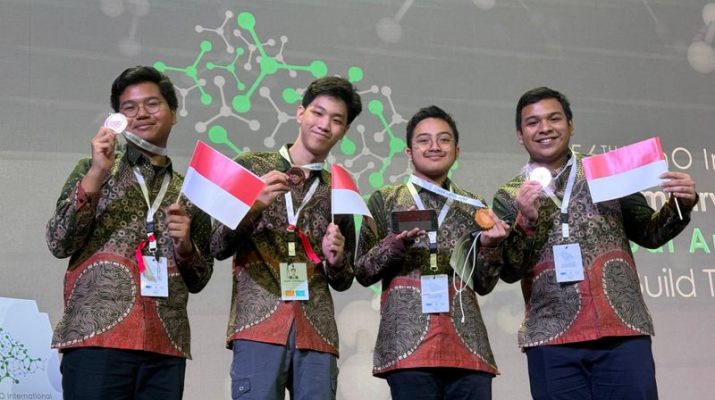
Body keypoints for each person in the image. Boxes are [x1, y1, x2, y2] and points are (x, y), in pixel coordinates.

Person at [492, 86, 698, 400]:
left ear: (570, 125)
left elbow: (649, 233)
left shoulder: (606, 171)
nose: (544, 128)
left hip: (621, 331)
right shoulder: (510, 195)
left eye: (554, 119)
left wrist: (681, 204)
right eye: (533, 122)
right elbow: (508, 271)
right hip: (551, 339)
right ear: (520, 135)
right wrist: (526, 221)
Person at [46, 65, 214, 399]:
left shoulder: (190, 191)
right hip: (98, 339)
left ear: (173, 113)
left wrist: (185, 246)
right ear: (118, 119)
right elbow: (58, 241)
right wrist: (97, 173)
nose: (142, 114)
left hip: (165, 345)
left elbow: (199, 278)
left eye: (152, 104)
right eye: (129, 107)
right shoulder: (94, 169)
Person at [210, 76, 362, 400]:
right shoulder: (251, 166)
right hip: (259, 325)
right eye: (318, 113)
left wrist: (336, 260)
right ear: (300, 112)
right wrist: (252, 206)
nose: (324, 125)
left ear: (345, 130)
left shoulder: (338, 188)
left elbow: (344, 279)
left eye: (336, 120)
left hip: (316, 329)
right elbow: (217, 245)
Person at [355, 105, 509, 399]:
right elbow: (363, 271)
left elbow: (484, 283)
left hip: (467, 345)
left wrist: (490, 248)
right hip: (408, 346)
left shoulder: (473, 206)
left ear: (457, 150)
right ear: (409, 152)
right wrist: (395, 244)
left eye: (444, 139)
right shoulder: (384, 201)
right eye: (424, 140)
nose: (434, 146)